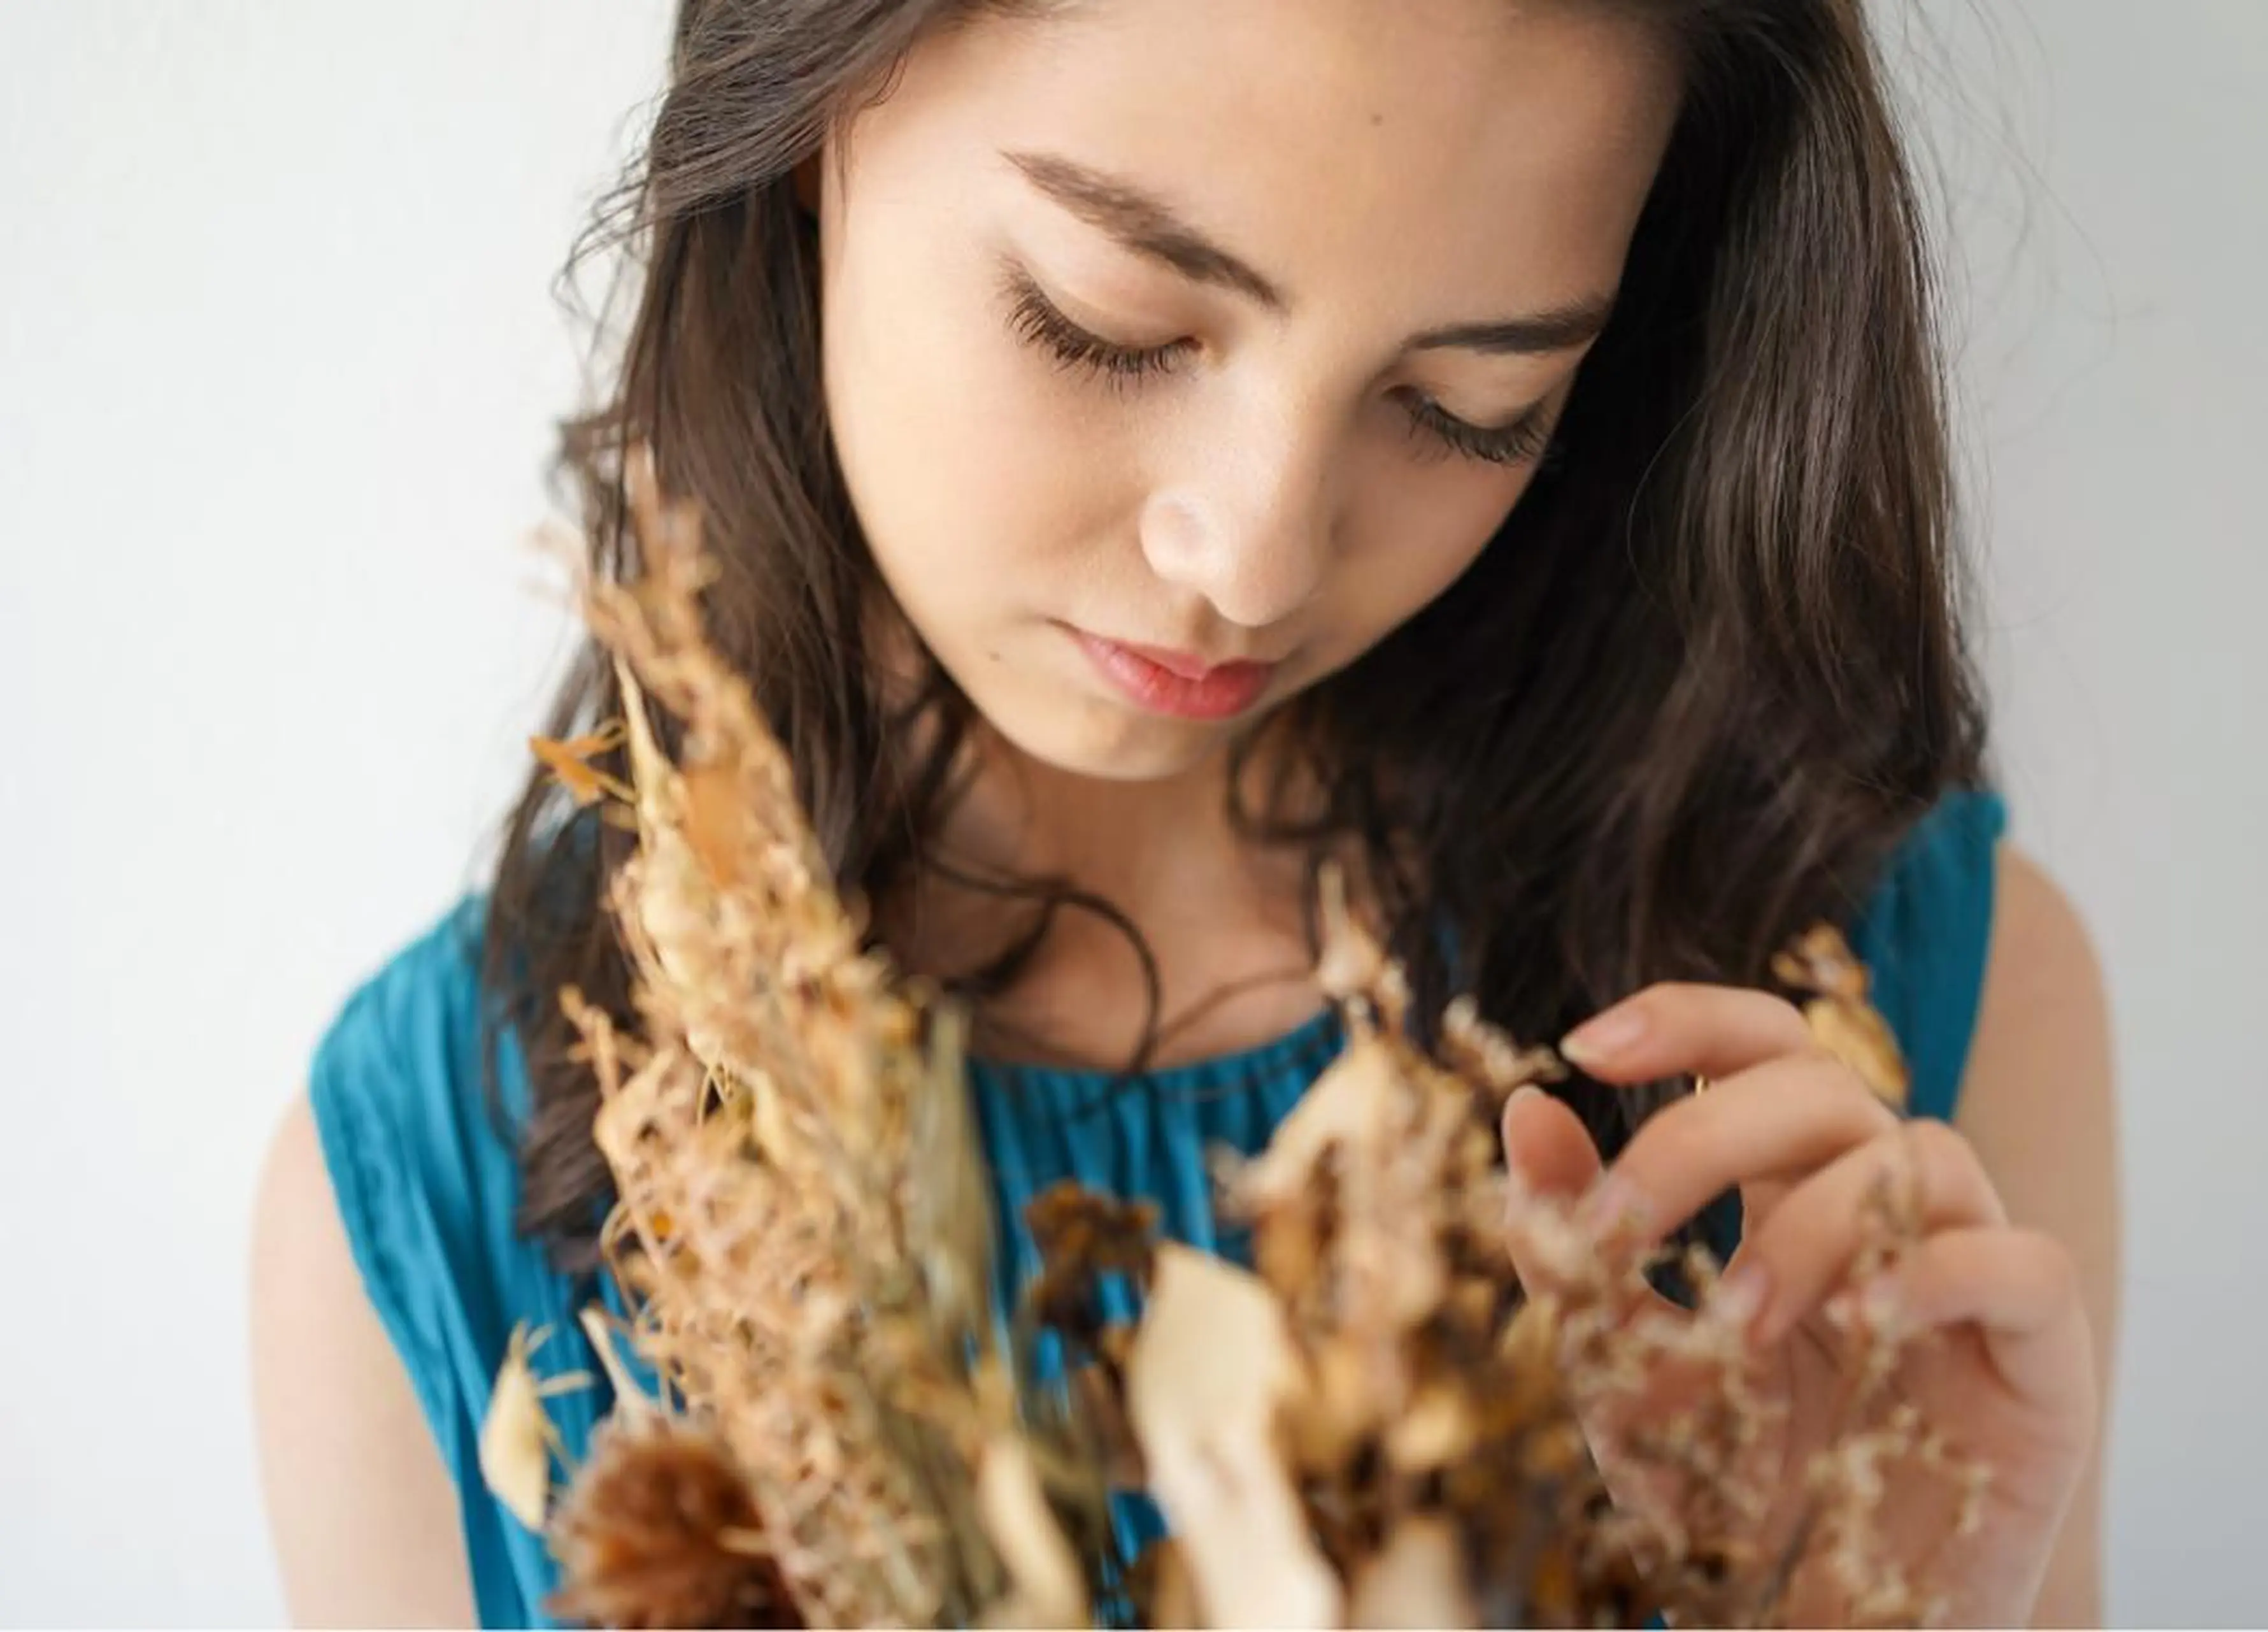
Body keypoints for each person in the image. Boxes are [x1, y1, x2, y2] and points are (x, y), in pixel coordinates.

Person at [250, 0, 2120, 1624]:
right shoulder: (427, 1204)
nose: (1250, 554)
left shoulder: (1875, 1039)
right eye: (1111, 323)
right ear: (812, 107)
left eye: (1472, 405)